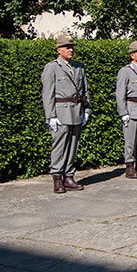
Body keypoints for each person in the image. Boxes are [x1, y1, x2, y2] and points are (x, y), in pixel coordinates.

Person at [41, 34, 92, 194]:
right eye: (68, 48)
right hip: (61, 112)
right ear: (59, 50)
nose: (71, 50)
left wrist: (87, 110)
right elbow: (47, 93)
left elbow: (85, 90)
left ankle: (69, 176)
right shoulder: (52, 67)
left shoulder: (78, 67)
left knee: (73, 145)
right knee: (59, 146)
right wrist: (51, 116)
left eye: (72, 47)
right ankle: (57, 177)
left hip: (76, 111)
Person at [115, 40, 137, 179]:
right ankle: (129, 165)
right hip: (132, 109)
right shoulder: (126, 71)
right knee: (130, 140)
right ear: (132, 55)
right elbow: (120, 94)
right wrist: (123, 112)